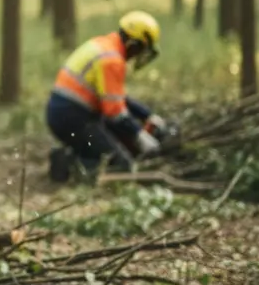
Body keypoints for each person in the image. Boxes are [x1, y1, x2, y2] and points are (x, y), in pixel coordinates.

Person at [45, 10, 174, 183]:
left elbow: (116, 97)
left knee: (109, 142)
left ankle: (75, 153)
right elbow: (115, 113)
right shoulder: (111, 60)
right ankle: (68, 163)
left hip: (66, 115)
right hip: (73, 120)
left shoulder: (104, 45)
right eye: (141, 49)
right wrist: (139, 136)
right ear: (132, 44)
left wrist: (146, 115)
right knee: (122, 164)